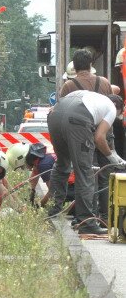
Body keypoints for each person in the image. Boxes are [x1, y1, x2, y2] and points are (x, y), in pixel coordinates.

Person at [47, 91, 126, 235]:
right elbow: (99, 137)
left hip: (55, 116)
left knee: (62, 165)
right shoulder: (112, 108)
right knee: (84, 171)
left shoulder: (93, 97)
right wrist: (111, 157)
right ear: (117, 106)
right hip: (77, 119)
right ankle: (86, 222)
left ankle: (53, 211)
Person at [59, 49, 115, 218]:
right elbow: (110, 105)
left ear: (74, 67)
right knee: (107, 174)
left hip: (84, 137)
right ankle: (106, 217)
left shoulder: (69, 85)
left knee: (88, 175)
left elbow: (64, 112)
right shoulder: (104, 82)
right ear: (91, 65)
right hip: (105, 135)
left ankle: (91, 216)